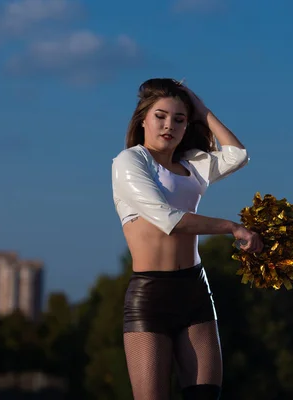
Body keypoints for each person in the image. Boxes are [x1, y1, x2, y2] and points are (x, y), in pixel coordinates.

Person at [111, 78, 263, 400]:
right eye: (160, 116)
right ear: (143, 119)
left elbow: (237, 155)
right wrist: (232, 228)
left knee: (206, 395)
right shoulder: (131, 162)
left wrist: (202, 109)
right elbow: (168, 219)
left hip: (195, 290)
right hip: (151, 296)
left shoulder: (192, 163)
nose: (170, 126)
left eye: (179, 119)